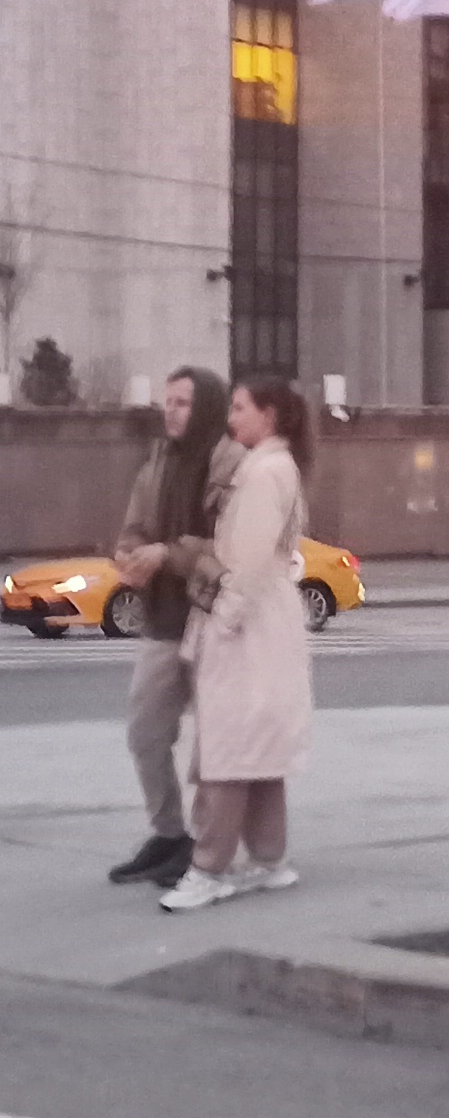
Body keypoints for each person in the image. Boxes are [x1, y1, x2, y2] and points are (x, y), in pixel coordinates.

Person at [159, 378, 315, 910]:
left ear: (268, 415)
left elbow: (245, 563)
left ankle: (208, 868)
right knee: (260, 749)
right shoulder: (277, 467)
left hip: (247, 625)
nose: (231, 415)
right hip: (269, 623)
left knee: (225, 751)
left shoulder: (262, 473)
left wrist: (222, 620)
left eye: (240, 406)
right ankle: (270, 859)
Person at [107, 365, 238, 886]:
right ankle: (167, 833)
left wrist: (170, 554)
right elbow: (135, 526)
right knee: (144, 733)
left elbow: (234, 545)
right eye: (167, 401)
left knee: (213, 745)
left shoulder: (231, 462)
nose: (171, 410)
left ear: (205, 406)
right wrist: (127, 551)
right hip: (162, 618)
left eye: (182, 402)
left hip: (213, 620)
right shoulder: (157, 461)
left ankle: (206, 848)